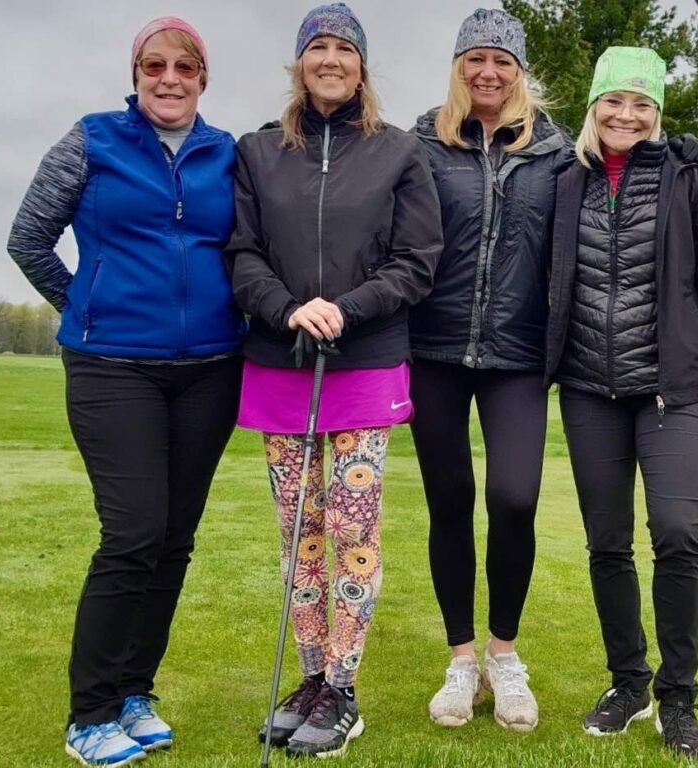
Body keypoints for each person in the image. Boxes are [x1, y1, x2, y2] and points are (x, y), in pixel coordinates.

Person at [6, 16, 243, 767]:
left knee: (174, 539)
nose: (167, 78)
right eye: (153, 65)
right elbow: (28, 239)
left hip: (210, 369)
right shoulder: (92, 139)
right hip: (113, 368)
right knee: (133, 531)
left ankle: (136, 693)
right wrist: (87, 305)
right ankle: (91, 712)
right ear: (136, 73)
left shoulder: (225, 154)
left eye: (183, 66)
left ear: (203, 78)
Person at [223, 3, 443, 758]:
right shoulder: (257, 152)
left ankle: (344, 689)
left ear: (361, 66)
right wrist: (288, 309)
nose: (330, 59)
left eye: (343, 49)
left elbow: (416, 261)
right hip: (280, 364)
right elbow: (241, 251)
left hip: (364, 363)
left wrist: (343, 310)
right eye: (317, 46)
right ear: (299, 61)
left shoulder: (399, 152)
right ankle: (311, 676)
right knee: (300, 536)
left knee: (351, 531)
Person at [546, 47, 698, 759]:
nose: (627, 115)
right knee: (607, 543)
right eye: (614, 101)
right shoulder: (564, 181)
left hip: (674, 394)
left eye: (643, 104)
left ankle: (678, 696)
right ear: (593, 105)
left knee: (675, 532)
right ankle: (628, 682)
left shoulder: (695, 180)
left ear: (659, 113)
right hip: (588, 391)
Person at [410, 7, 570, 733]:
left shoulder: (558, 152)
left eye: (502, 61)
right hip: (433, 350)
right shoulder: (420, 142)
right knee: (450, 499)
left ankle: (504, 655)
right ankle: (461, 659)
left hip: (518, 354)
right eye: (475, 59)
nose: (488, 72)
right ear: (457, 67)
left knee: (512, 497)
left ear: (520, 70)